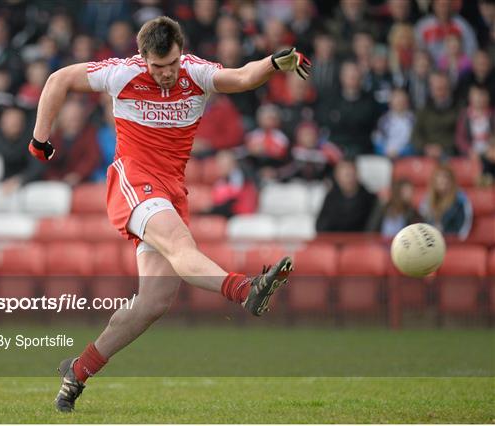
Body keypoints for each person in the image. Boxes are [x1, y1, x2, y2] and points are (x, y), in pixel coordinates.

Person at [28, 16, 308, 412]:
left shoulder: (195, 72)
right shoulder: (122, 73)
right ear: (143, 58)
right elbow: (58, 79)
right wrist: (40, 139)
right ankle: (246, 290)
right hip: (133, 182)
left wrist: (274, 63)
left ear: (181, 53)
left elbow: (244, 77)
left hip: (172, 191)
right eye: (157, 66)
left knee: (154, 301)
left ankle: (78, 370)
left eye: (172, 64)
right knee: (181, 245)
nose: (165, 73)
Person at [316, 159, 377, 232]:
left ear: (357, 174)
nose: (349, 179)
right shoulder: (331, 198)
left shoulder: (369, 199)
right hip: (334, 240)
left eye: (351, 174)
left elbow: (372, 229)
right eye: (345, 175)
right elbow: (320, 227)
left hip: (360, 241)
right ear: (337, 177)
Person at [419, 164, 473, 239]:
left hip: (453, 242)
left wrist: (445, 234)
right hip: (430, 242)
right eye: (439, 177)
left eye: (445, 177)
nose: (442, 180)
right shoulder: (427, 199)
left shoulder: (460, 200)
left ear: (451, 181)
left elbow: (462, 230)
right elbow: (422, 222)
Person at [412, 72, 459, 158]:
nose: (441, 92)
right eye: (438, 89)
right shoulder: (423, 109)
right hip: (426, 151)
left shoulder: (458, 108)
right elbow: (415, 135)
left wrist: (441, 148)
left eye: (444, 88)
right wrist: (426, 147)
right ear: (431, 89)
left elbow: (460, 135)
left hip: (449, 151)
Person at [372, 88, 415, 159]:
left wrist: (400, 152)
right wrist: (384, 151)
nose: (399, 102)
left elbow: (415, 142)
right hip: (386, 156)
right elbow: (377, 140)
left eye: (402, 100)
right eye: (396, 99)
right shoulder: (383, 120)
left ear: (407, 102)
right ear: (390, 102)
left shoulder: (413, 120)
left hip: (406, 157)